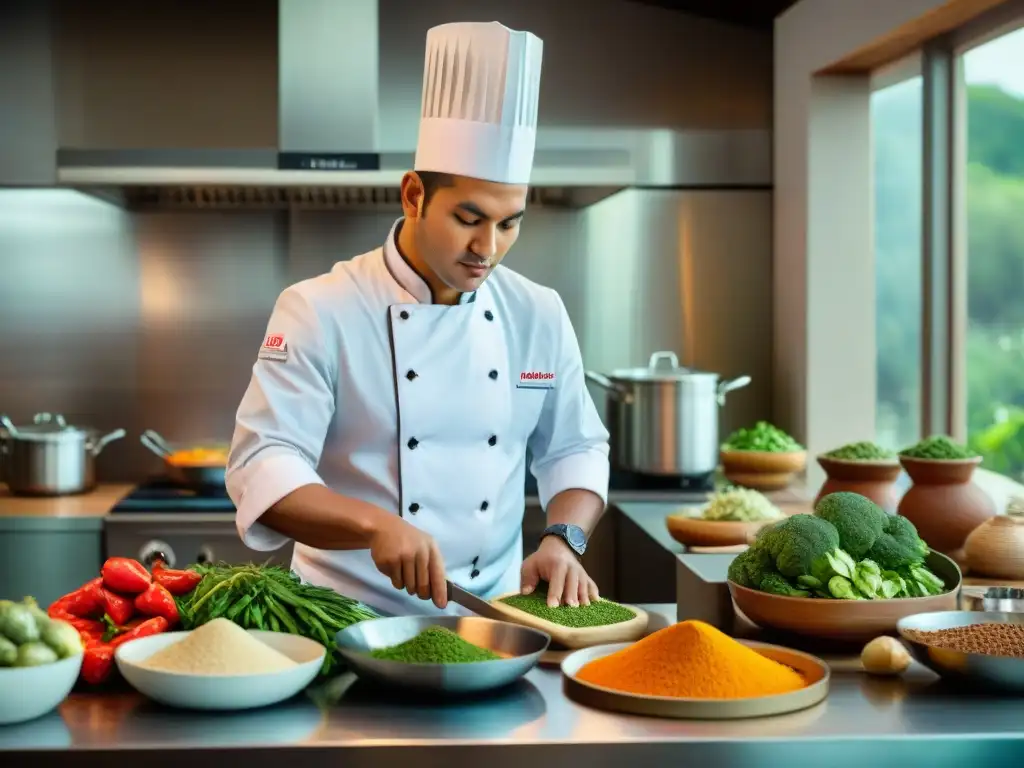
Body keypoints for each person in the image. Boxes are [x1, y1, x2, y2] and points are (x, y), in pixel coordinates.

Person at [225, 20, 610, 618]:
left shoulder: (537, 312)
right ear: (412, 195)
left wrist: (564, 540)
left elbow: (576, 449)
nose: (488, 246)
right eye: (469, 217)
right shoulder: (319, 308)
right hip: (344, 620)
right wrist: (374, 525)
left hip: (495, 622)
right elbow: (261, 465)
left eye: (510, 223)